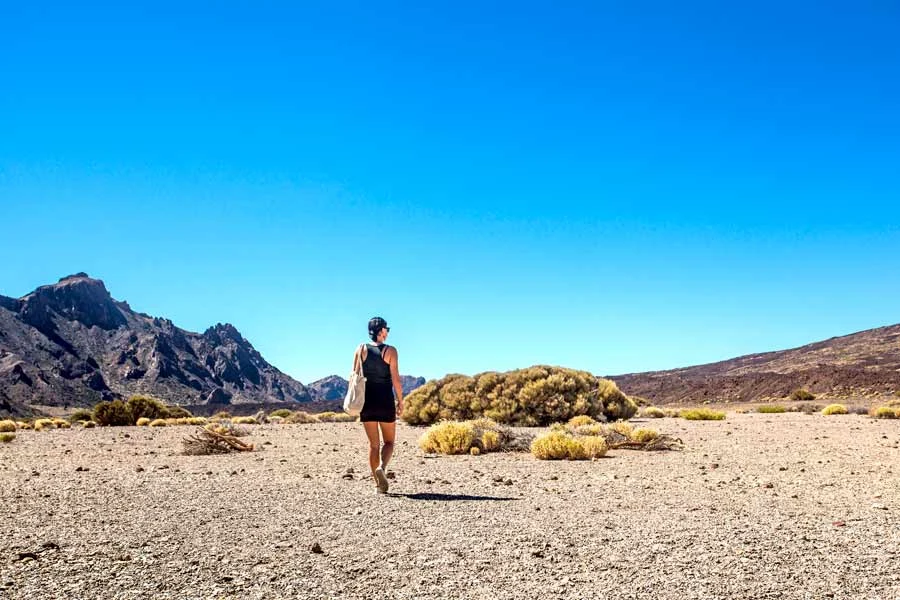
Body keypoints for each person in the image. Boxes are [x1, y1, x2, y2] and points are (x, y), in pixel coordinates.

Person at [353, 316, 403, 494]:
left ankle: (378, 486)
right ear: (381, 331)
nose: (387, 332)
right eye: (386, 329)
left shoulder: (360, 349)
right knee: (389, 442)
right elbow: (395, 379)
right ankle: (382, 466)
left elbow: (354, 376)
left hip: (367, 402)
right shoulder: (391, 351)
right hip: (385, 401)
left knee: (374, 445)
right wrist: (400, 401)